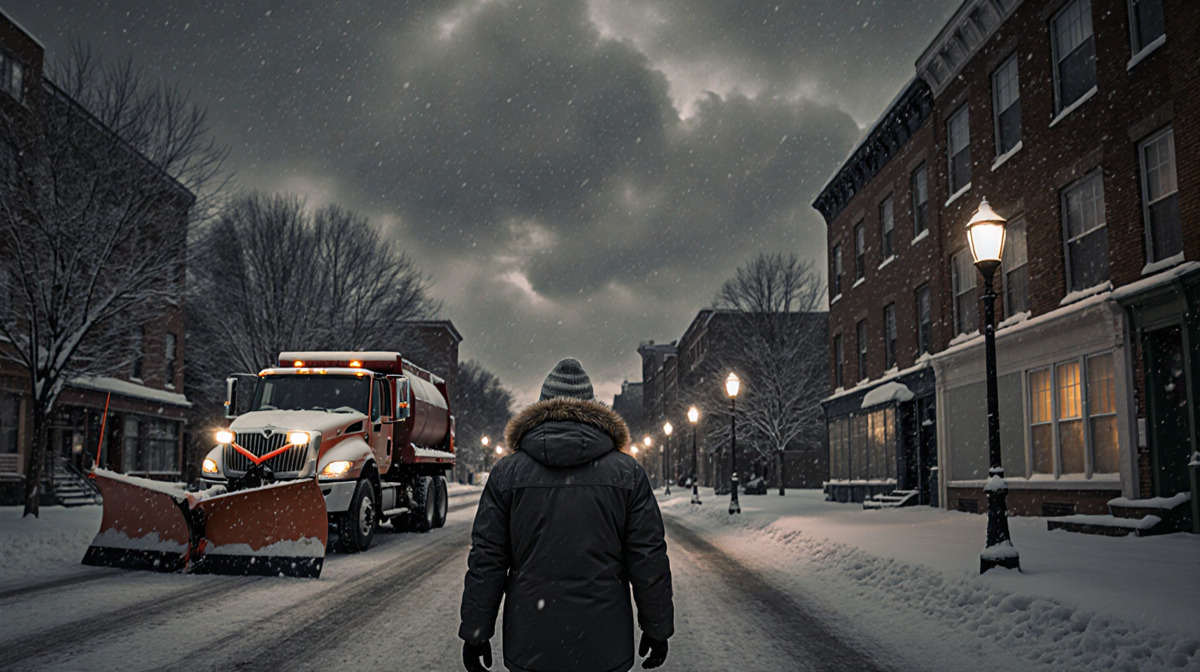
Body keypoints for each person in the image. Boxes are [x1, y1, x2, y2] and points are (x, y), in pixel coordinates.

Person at [459, 357, 674, 672]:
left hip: (531, 640)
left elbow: (487, 559)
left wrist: (476, 631)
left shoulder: (508, 474)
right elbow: (648, 557)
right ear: (593, 409)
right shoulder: (627, 473)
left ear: (542, 408)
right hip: (605, 641)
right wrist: (657, 626)